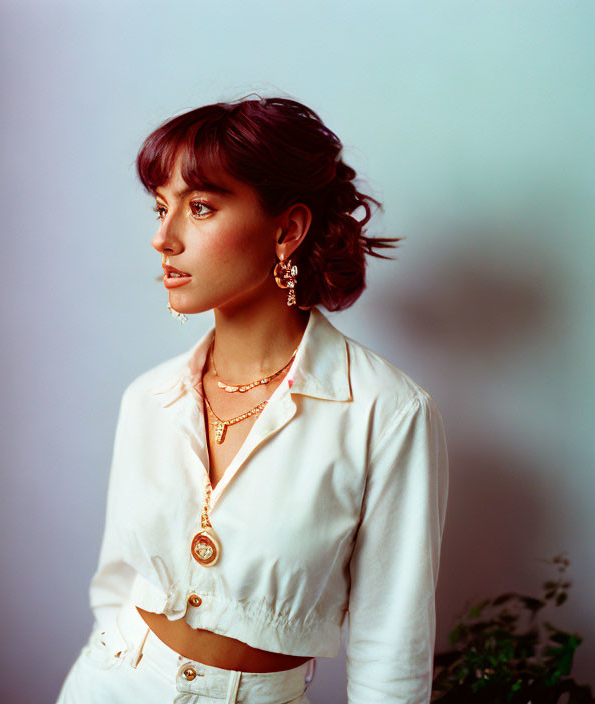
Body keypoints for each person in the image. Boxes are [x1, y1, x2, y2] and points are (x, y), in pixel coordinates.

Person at [55, 95, 449, 704]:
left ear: (286, 229)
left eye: (201, 207)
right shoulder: (149, 399)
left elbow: (390, 654)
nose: (163, 237)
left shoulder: (386, 413)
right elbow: (117, 586)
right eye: (161, 208)